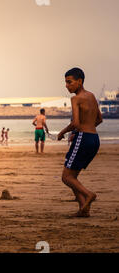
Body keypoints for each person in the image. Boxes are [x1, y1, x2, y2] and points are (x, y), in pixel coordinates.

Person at [57, 67, 101, 217]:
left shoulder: (76, 98)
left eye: (69, 82)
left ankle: (89, 195)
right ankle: (84, 208)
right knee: (73, 176)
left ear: (79, 81)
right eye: (66, 82)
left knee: (66, 177)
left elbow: (75, 122)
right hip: (94, 139)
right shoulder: (92, 96)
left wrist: (63, 133)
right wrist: (85, 130)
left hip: (83, 138)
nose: (67, 85)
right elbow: (99, 119)